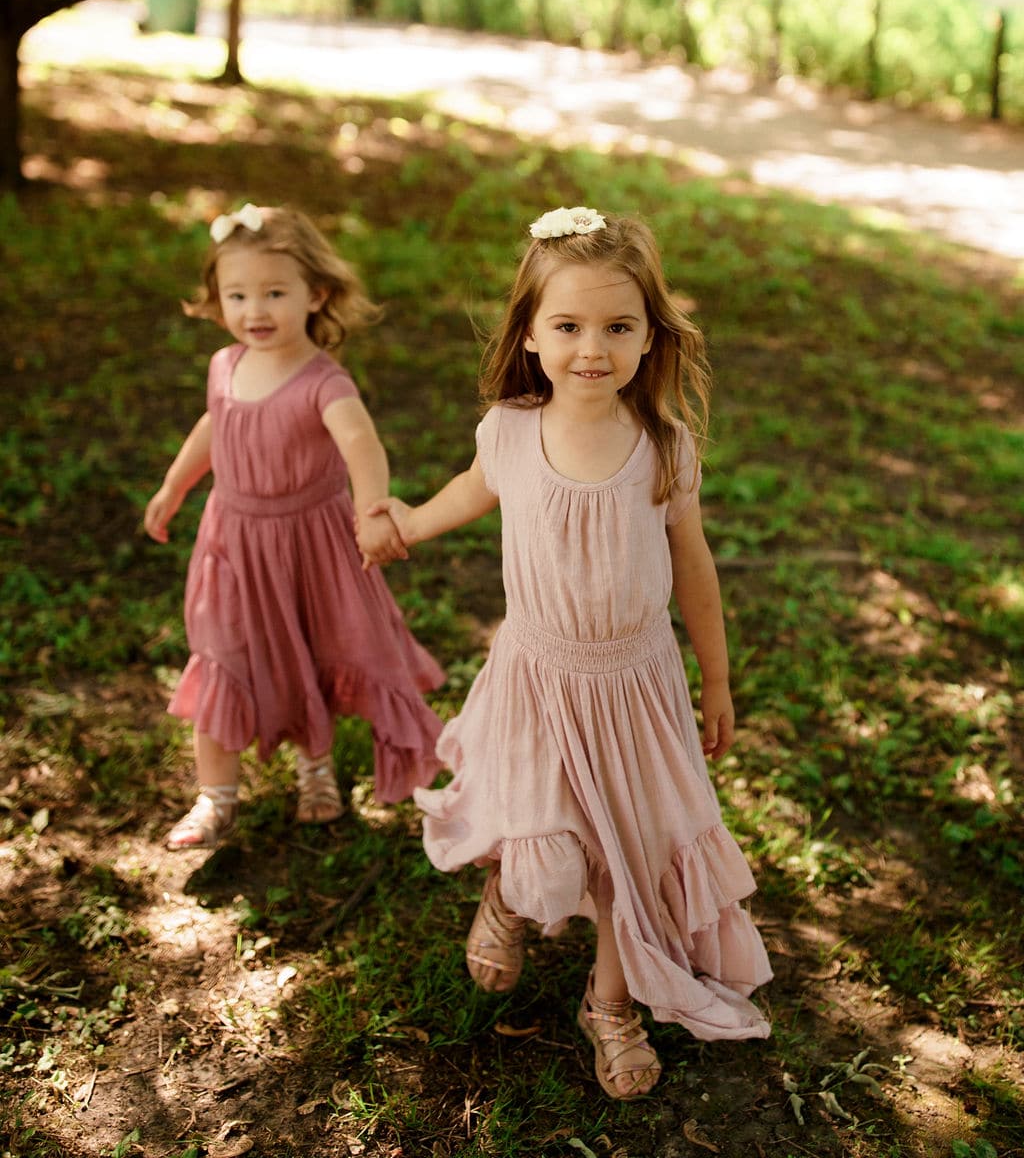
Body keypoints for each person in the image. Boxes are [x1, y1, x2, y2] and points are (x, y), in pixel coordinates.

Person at [369, 205, 771, 1100]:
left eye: (618, 326)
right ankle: (508, 901)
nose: (593, 347)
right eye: (569, 325)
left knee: (628, 850)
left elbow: (693, 566)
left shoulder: (663, 445)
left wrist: (715, 677)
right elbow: (469, 492)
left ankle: (612, 1005)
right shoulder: (511, 430)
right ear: (531, 335)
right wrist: (406, 524)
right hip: (540, 674)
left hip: (635, 683)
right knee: (544, 828)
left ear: (649, 335)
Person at [145, 203, 445, 850]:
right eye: (237, 294)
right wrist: (176, 485)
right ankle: (213, 795)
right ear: (216, 299)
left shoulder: (322, 381)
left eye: (275, 293)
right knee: (223, 655)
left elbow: (362, 443)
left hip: (308, 545)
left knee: (307, 651)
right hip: (233, 543)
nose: (255, 310)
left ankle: (316, 771)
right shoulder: (224, 365)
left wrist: (372, 512)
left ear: (317, 294)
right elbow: (214, 425)